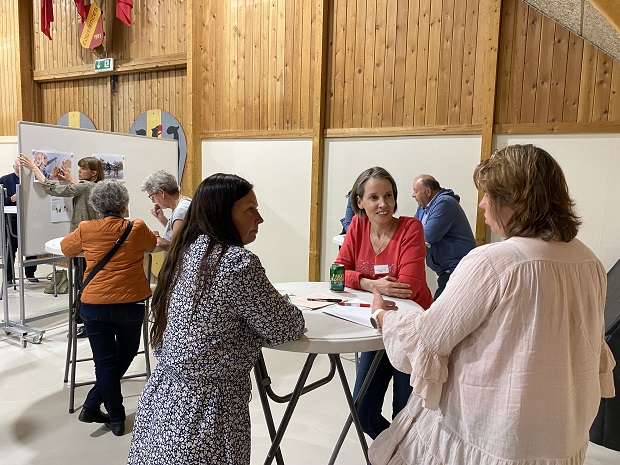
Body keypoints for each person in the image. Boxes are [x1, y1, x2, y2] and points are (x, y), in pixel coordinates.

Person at [367, 145, 616, 465]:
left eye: (489, 195)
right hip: (561, 432)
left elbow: (428, 338)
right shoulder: (588, 261)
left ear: (515, 202)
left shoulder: (495, 263)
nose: (482, 204)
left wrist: (384, 316)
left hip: (491, 433)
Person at [127, 173, 305, 464]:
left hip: (163, 402)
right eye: (250, 209)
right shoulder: (236, 263)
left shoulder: (187, 251)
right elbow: (286, 326)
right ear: (223, 213)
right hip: (207, 413)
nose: (259, 218)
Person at [334, 166, 433, 440]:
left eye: (388, 196)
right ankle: (391, 454)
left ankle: (399, 453)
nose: (383, 204)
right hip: (376, 328)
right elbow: (336, 273)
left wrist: (359, 279)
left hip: (411, 331)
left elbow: (408, 286)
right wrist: (372, 284)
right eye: (374, 197)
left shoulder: (411, 228)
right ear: (359, 203)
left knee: (406, 416)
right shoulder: (357, 225)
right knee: (363, 413)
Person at [61, 180, 157, 437]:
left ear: (95, 205)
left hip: (94, 304)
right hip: (130, 303)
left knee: (104, 364)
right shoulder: (136, 227)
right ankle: (100, 409)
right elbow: (151, 246)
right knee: (124, 355)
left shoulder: (86, 228)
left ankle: (109, 414)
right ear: (124, 204)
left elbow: (66, 249)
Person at [20, 153, 105, 338]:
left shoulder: (85, 186)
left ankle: (84, 322)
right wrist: (71, 180)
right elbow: (80, 192)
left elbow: (55, 191)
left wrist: (35, 169)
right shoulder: (96, 187)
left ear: (93, 173)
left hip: (83, 245)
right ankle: (85, 319)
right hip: (93, 244)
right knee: (87, 280)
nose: (79, 170)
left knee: (83, 281)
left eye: (83, 168)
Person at [412, 174, 476, 298]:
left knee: (439, 312)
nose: (413, 195)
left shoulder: (445, 203)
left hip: (457, 270)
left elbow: (427, 235)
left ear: (428, 191)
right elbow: (412, 231)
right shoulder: (423, 207)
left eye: (415, 191)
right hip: (445, 271)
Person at [0, 158, 38, 283]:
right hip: (11, 221)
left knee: (31, 247)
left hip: (30, 219)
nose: (20, 169)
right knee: (10, 248)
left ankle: (30, 273)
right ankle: (9, 278)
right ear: (13, 167)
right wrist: (11, 199)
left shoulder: (31, 179)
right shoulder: (4, 180)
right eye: (18, 166)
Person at [141, 169, 191, 251]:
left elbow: (177, 249)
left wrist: (158, 239)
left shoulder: (181, 210)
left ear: (161, 192)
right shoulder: (185, 203)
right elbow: (179, 232)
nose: (153, 201)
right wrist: (161, 218)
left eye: (152, 197)